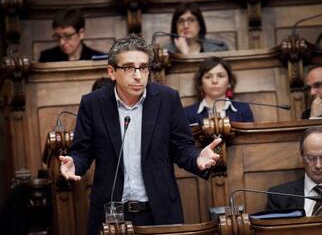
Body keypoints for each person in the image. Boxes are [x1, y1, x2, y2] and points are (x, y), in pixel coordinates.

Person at [59, 34, 221, 234]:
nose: (138, 75)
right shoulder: (93, 104)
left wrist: (197, 158)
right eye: (128, 68)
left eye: (143, 68)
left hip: (159, 211)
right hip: (111, 213)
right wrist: (74, 163)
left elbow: (181, 148)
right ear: (112, 71)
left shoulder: (167, 99)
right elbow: (83, 151)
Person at [184, 57, 253, 125]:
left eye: (221, 76)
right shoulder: (187, 113)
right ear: (200, 83)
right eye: (208, 77)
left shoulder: (243, 110)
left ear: (229, 82)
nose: (214, 81)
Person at [39, 7, 105, 62]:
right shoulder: (46, 58)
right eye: (58, 36)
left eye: (67, 36)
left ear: (81, 33)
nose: (62, 42)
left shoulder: (99, 59)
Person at [164, 2, 228, 54]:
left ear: (200, 24)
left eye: (191, 20)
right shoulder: (165, 52)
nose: (186, 26)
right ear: (175, 26)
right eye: (180, 21)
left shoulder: (217, 50)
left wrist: (186, 54)